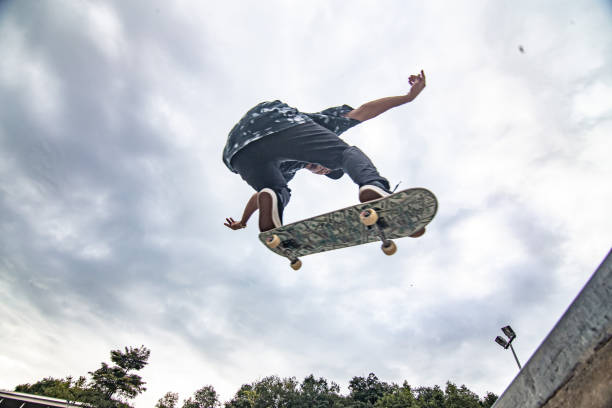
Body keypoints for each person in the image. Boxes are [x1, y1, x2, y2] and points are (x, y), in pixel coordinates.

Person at [223, 70, 427, 234]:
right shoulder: (322, 124)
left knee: (274, 190)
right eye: (327, 168)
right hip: (278, 121)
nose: (322, 169)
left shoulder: (289, 168)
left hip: (238, 152)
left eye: (323, 172)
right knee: (346, 154)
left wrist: (243, 220)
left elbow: (260, 196)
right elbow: (363, 111)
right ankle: (373, 186)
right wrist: (407, 98)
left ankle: (274, 218)